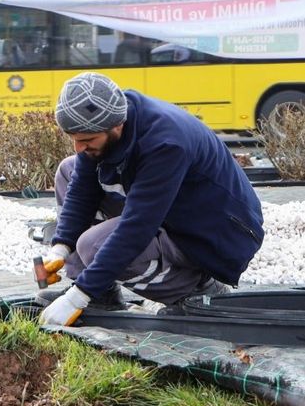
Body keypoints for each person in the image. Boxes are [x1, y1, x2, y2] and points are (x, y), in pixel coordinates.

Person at [37, 72, 264, 326]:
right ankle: (101, 294)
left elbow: (136, 229)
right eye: (75, 139)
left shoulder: (165, 144)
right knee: (68, 171)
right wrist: (61, 246)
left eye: (87, 140)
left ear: (117, 126)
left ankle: (198, 290)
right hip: (172, 210)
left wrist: (77, 299)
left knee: (94, 245)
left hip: (217, 232)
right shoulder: (112, 118)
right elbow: (82, 186)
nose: (79, 147)